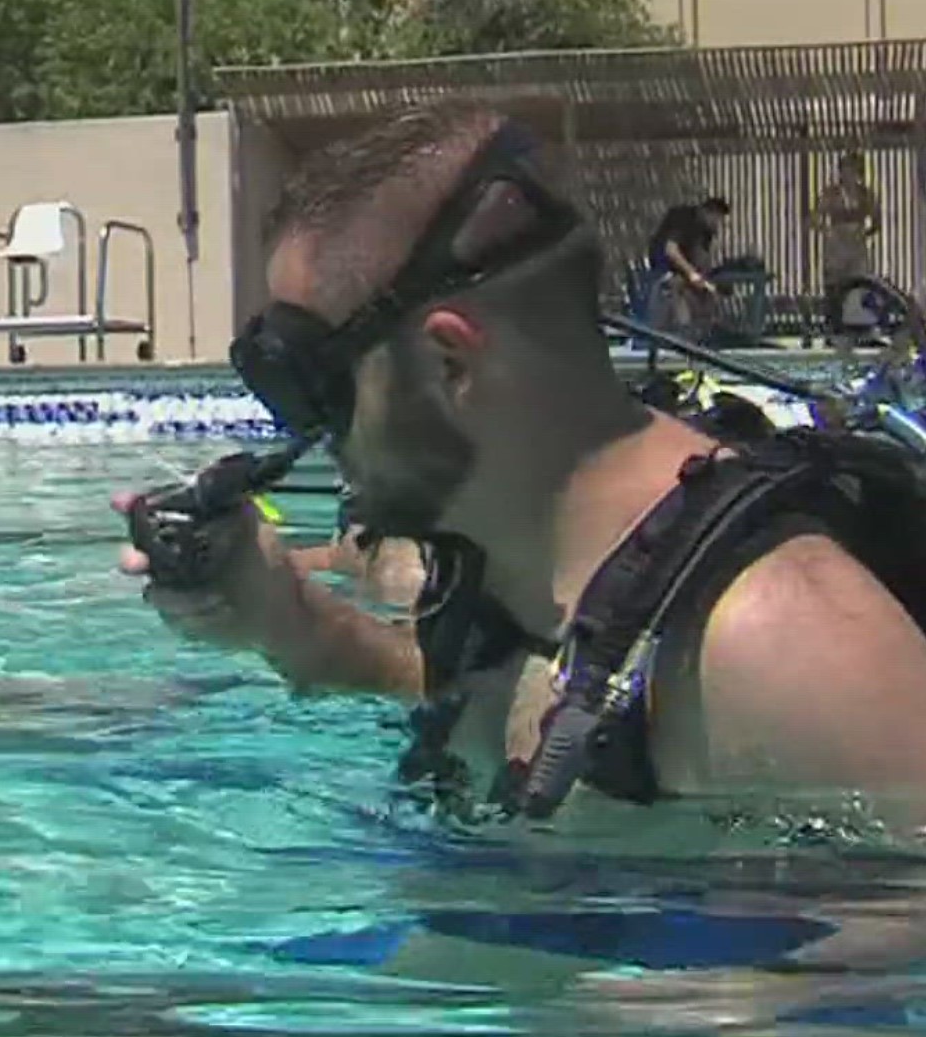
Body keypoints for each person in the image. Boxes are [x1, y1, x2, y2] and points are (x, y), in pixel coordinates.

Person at [114, 99, 926, 984]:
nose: (310, 433)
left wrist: (735, 1003)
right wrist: (287, 622)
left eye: (314, 384)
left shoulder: (776, 635)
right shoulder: (497, 565)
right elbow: (493, 695)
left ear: (451, 363)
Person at [813, 151, 882, 346]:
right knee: (835, 285)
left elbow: (877, 222)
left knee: (859, 284)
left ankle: (861, 329)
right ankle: (833, 328)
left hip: (856, 242)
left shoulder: (866, 194)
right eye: (845, 169)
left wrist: (864, 233)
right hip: (837, 243)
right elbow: (813, 218)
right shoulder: (831, 193)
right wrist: (827, 231)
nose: (849, 174)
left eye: (853, 169)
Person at [645, 194, 730, 342]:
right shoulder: (683, 219)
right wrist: (691, 274)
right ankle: (683, 331)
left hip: (685, 274)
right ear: (706, 211)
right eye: (715, 218)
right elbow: (670, 250)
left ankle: (701, 334)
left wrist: (706, 281)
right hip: (664, 269)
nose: (717, 223)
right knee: (676, 290)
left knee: (707, 295)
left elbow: (701, 258)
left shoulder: (706, 231)